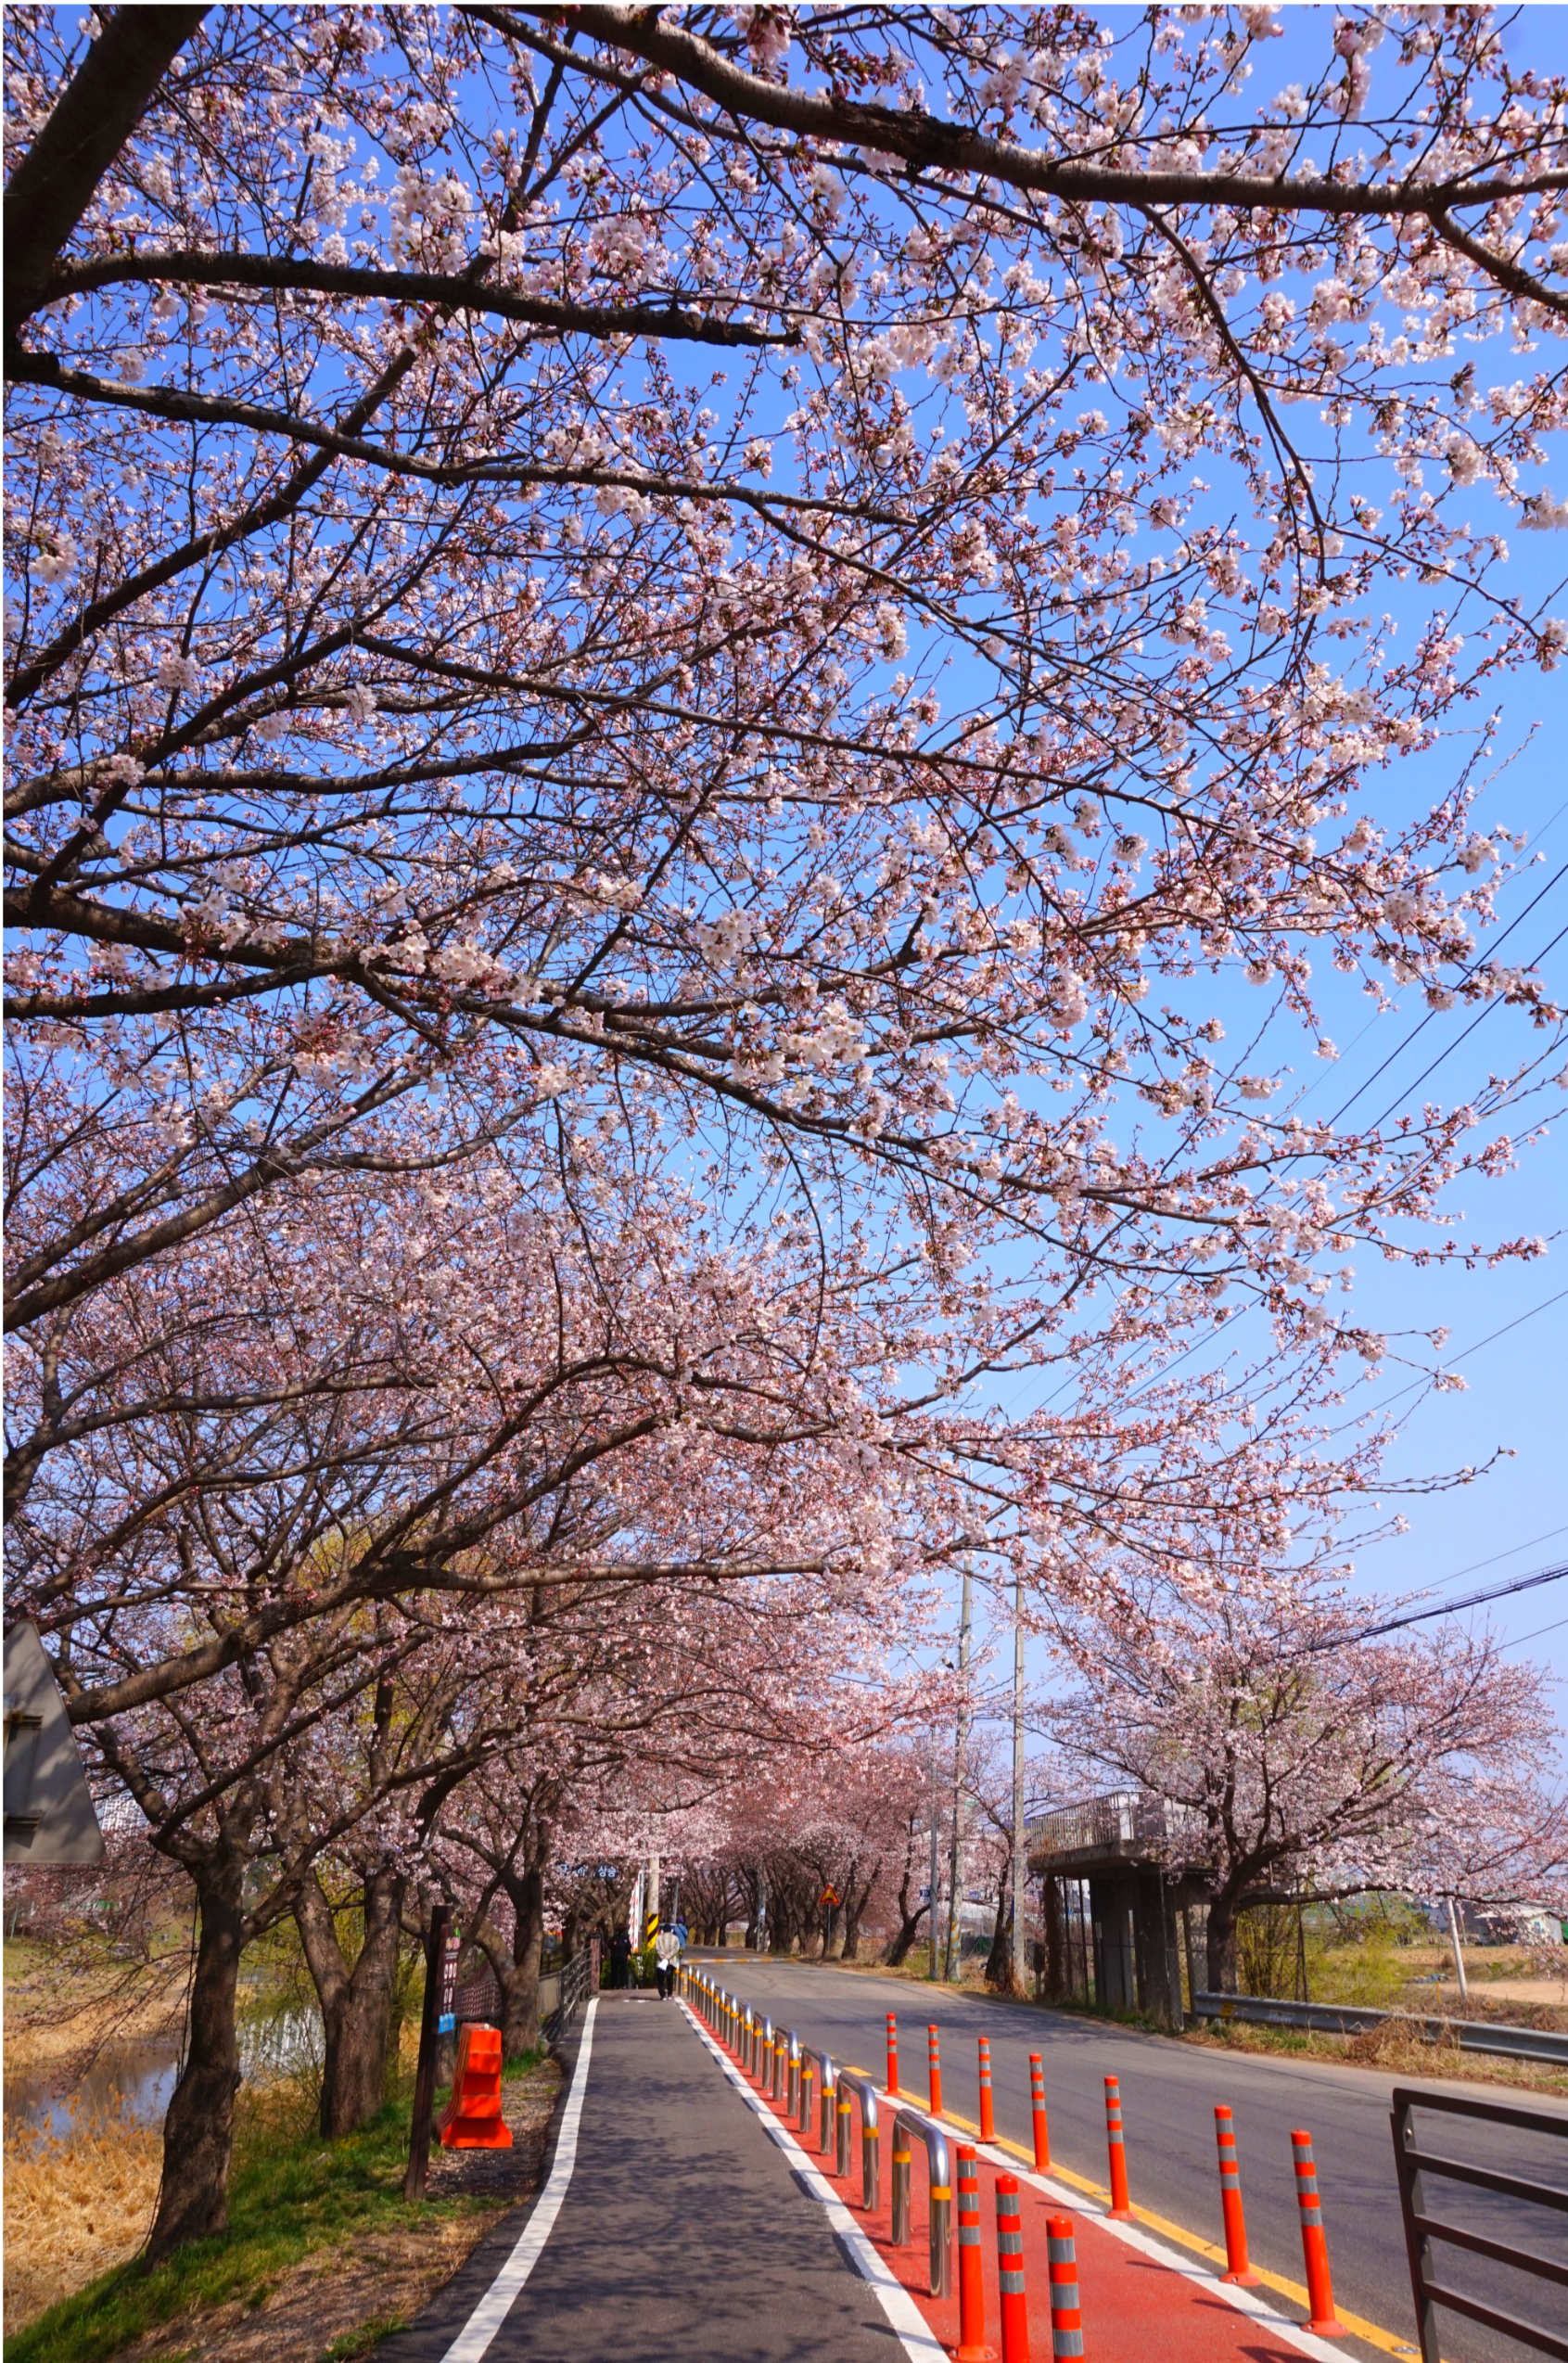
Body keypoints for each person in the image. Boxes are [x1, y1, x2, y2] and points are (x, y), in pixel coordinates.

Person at [654, 1920, 682, 1999]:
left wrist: (663, 1956)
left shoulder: (658, 1938)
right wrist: (668, 1956)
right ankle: (670, 1994)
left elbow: (657, 1948)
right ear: (670, 1930)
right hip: (671, 1961)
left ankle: (663, 1995)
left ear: (663, 1930)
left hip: (660, 1961)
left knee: (660, 1979)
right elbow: (677, 1948)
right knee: (670, 1978)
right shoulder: (675, 1938)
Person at [609, 1926, 631, 1990]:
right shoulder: (614, 1938)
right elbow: (609, 1944)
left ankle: (624, 1984)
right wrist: (613, 1944)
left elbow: (628, 1947)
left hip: (623, 1957)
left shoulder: (626, 1938)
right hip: (615, 1957)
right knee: (614, 1971)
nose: (621, 1932)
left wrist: (629, 1954)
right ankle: (613, 1985)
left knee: (624, 1971)